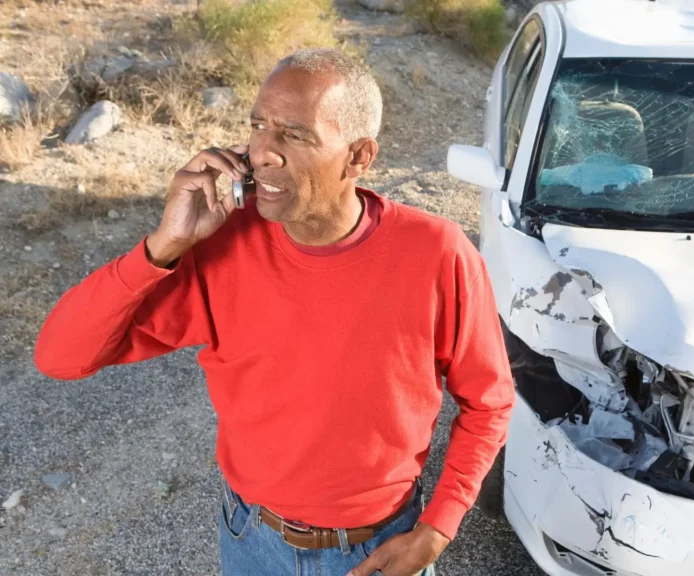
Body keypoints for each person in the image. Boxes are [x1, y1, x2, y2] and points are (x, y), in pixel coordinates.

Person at [33, 48, 515, 576]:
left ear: (358, 158)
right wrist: (162, 245)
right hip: (251, 542)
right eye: (257, 125)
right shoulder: (219, 247)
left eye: (294, 133)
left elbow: (488, 403)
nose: (262, 150)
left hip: (379, 550)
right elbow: (61, 357)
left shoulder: (437, 254)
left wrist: (438, 527)